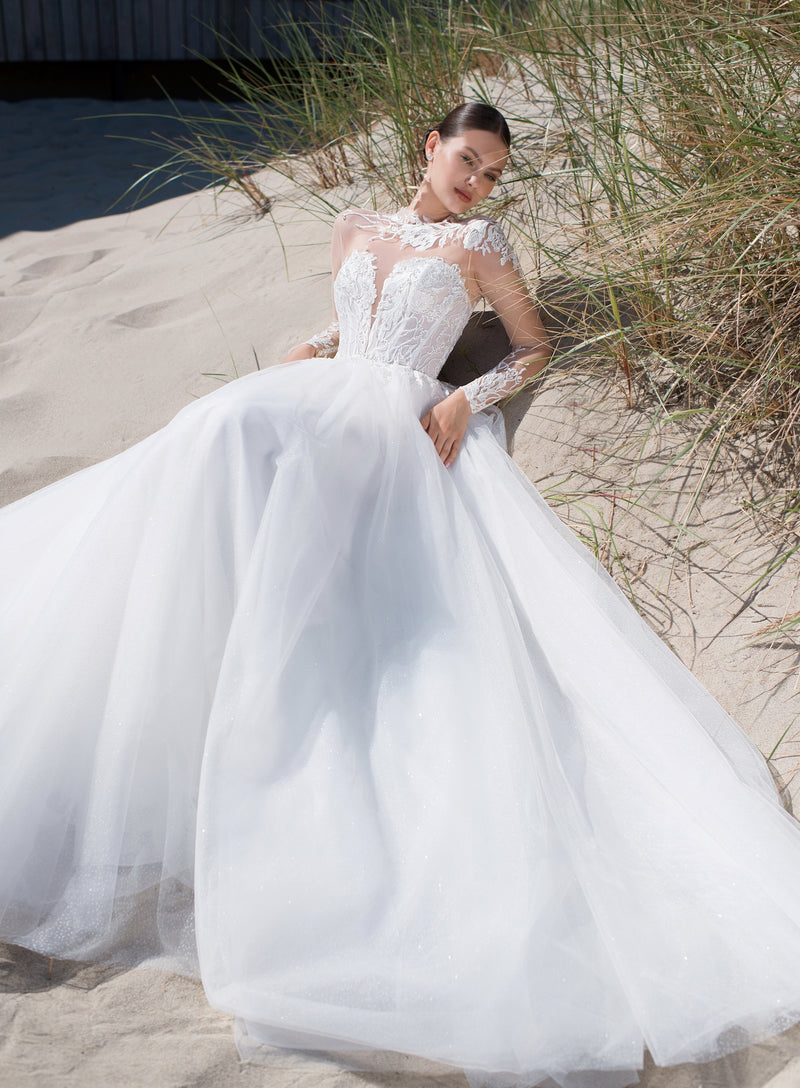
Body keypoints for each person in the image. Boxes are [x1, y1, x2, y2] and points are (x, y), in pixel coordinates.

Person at [2, 102, 800, 1088]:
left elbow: (528, 345)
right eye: (467, 160)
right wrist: (304, 353)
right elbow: (346, 321)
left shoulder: (477, 243)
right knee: (208, 429)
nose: (476, 182)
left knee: (257, 456)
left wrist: (466, 396)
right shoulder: (352, 225)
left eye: (492, 172)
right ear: (429, 146)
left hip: (398, 416)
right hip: (327, 394)